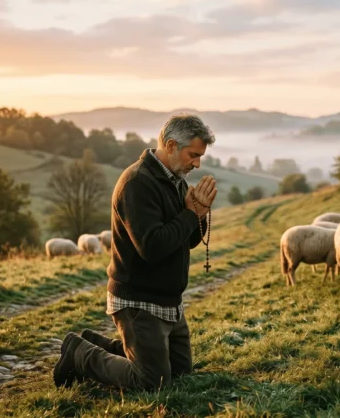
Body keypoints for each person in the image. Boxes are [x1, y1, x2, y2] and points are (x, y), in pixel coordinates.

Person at [53, 114, 218, 390]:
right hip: (139, 300)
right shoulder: (138, 183)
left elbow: (184, 241)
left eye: (200, 156)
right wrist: (191, 214)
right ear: (170, 145)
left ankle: (97, 343)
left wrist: (198, 215)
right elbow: (151, 247)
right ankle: (79, 353)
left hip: (168, 300)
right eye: (193, 155)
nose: (197, 163)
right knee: (152, 382)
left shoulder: (175, 180)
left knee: (180, 372)